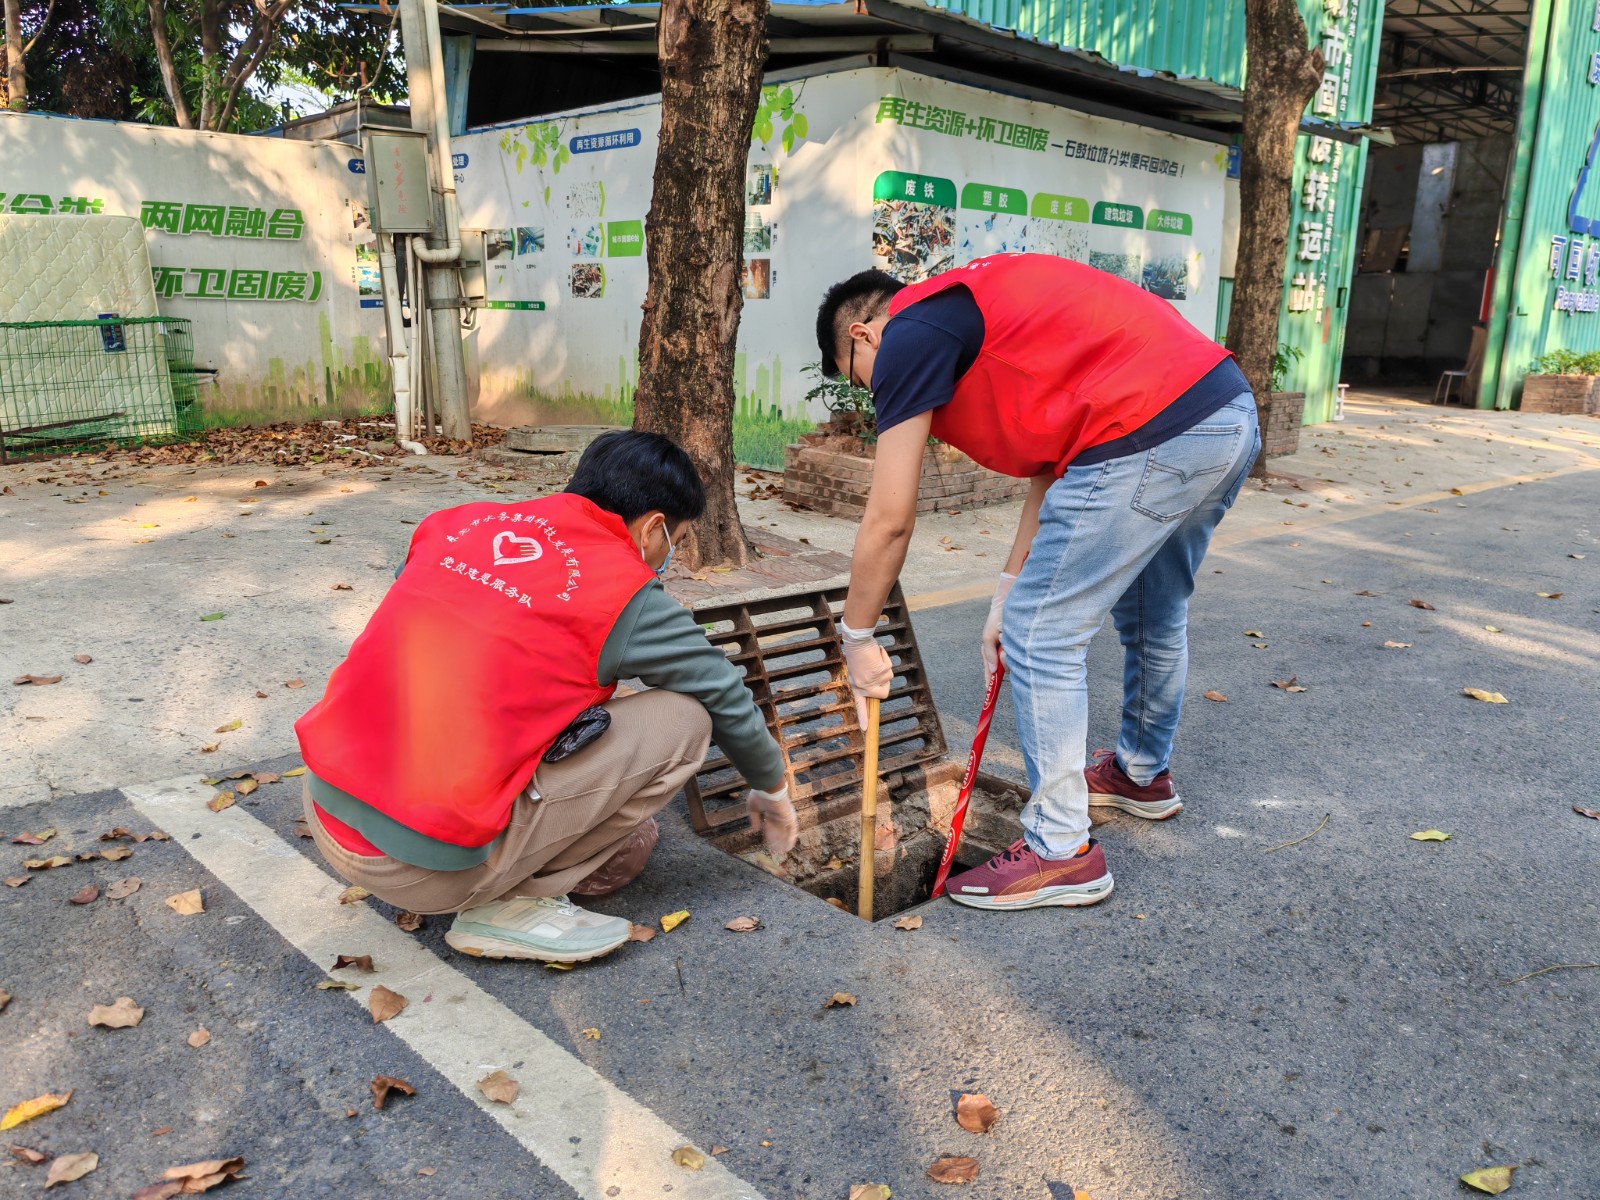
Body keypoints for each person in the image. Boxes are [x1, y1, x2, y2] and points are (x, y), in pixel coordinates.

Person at [814, 253, 1260, 912]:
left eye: (858, 381)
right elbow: (1054, 467)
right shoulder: (975, 311)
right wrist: (1006, 593)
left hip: (1146, 433)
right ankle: (1141, 775)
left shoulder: (907, 331)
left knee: (1044, 635)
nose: (873, 394)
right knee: (1153, 614)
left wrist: (856, 635)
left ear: (862, 334)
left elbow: (889, 520)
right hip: (1220, 414)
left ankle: (1060, 853)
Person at [294, 431, 796, 963]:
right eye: (674, 541)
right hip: (422, 873)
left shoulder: (459, 523)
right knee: (684, 719)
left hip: (326, 801)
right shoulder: (623, 589)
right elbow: (720, 690)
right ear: (653, 527)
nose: (668, 555)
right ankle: (508, 905)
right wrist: (773, 787)